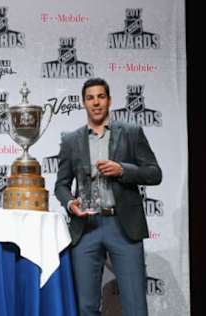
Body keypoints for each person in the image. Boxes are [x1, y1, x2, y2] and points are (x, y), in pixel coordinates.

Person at [54, 78, 162, 316]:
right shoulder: (71, 141)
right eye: (90, 98)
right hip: (86, 228)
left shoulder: (132, 133)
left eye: (101, 97)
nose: (96, 102)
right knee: (86, 307)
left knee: (135, 305)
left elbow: (155, 173)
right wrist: (71, 203)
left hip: (122, 226)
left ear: (109, 100)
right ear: (84, 103)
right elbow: (61, 185)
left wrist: (123, 170)